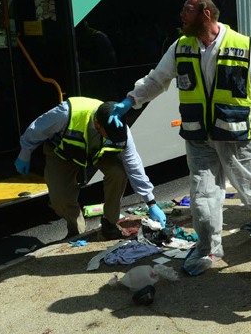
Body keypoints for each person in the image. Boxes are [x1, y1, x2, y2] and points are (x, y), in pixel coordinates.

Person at [109, 0, 251, 276]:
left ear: (205, 13)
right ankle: (208, 249)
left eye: (187, 9)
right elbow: (158, 79)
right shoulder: (181, 47)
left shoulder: (240, 45)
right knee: (203, 197)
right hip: (199, 136)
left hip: (234, 134)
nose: (181, 15)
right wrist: (131, 100)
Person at [14, 97, 166, 239]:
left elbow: (134, 167)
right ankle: (77, 230)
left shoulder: (121, 131)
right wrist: (25, 152)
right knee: (60, 198)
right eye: (110, 136)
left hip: (95, 153)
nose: (113, 139)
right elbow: (36, 129)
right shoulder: (66, 113)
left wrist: (151, 202)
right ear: (97, 125)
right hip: (62, 152)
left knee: (119, 173)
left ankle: (109, 222)